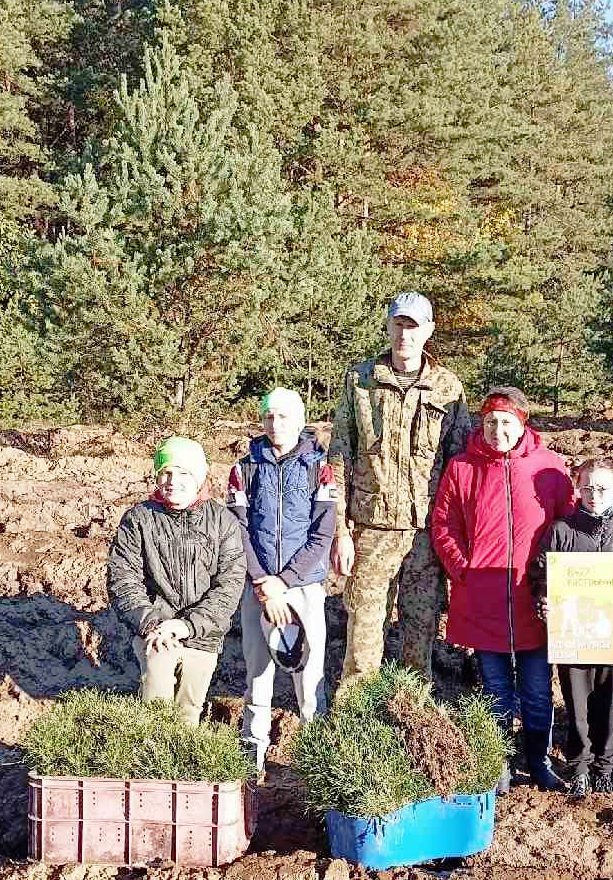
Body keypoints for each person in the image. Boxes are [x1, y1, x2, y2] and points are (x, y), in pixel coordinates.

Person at [431, 387, 574, 792]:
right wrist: (464, 569)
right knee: (494, 688)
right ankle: (497, 763)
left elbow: (568, 526)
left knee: (535, 689)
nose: (498, 430)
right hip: (483, 596)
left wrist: (558, 581)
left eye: (506, 422)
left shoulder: (549, 468)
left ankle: (539, 760)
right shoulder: (463, 467)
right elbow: (444, 526)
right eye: (491, 421)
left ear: (522, 424)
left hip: (535, 598)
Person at [329, 291, 470, 685]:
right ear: (389, 326)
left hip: (426, 535)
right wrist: (340, 531)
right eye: (398, 324)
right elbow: (339, 457)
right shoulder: (360, 381)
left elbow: (461, 466)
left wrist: (455, 535)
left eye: (413, 325)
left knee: (420, 637)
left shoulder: (447, 387)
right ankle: (354, 724)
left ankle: (412, 725)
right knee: (363, 640)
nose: (405, 333)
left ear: (428, 331)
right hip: (371, 530)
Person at [226, 387, 336, 775]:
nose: (276, 424)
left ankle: (316, 763)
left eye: (285, 416)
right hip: (257, 587)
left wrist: (284, 581)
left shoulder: (319, 466)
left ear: (301, 419)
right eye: (269, 416)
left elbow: (322, 535)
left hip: (303, 586)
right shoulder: (243, 469)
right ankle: (250, 758)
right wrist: (261, 581)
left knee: (309, 676)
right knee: (258, 673)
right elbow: (236, 530)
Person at [531, 458, 613, 799]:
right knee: (577, 705)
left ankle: (605, 766)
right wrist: (544, 600)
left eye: (602, 488)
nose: (594, 494)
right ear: (577, 490)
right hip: (573, 638)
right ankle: (580, 766)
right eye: (587, 487)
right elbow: (540, 574)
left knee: (607, 703)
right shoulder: (562, 531)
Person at [107, 436, 246, 726]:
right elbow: (123, 580)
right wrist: (154, 623)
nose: (173, 481)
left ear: (199, 478)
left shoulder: (223, 522)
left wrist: (187, 625)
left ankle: (181, 769)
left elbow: (229, 585)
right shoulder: (138, 519)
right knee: (155, 709)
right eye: (166, 472)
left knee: (188, 714)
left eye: (183, 473)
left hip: (203, 636)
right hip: (156, 632)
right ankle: (147, 768)